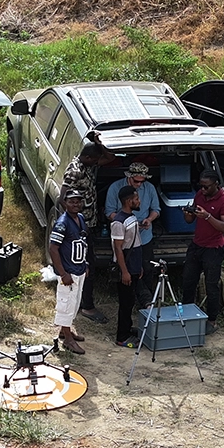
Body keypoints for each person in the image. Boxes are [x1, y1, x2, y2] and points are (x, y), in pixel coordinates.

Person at [61, 137, 117, 324]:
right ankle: (87, 306)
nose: (96, 163)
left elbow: (109, 158)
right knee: (85, 266)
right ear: (86, 157)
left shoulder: (87, 165)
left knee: (87, 265)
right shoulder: (75, 172)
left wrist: (99, 143)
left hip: (90, 223)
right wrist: (74, 224)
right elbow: (63, 198)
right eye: (94, 160)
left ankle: (81, 303)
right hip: (80, 227)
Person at [180, 170, 224, 335]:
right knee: (188, 281)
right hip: (197, 245)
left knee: (211, 285)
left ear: (216, 185)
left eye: (206, 187)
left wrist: (208, 216)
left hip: (214, 248)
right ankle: (187, 315)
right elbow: (190, 221)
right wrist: (187, 214)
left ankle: (212, 320)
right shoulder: (199, 195)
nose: (203, 190)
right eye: (201, 186)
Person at [105, 161, 160, 302]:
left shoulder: (150, 188)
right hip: (124, 238)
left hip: (144, 236)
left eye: (142, 181)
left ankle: (147, 300)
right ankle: (131, 298)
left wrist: (149, 219)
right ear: (129, 177)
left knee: (147, 268)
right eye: (136, 181)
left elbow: (156, 209)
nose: (139, 184)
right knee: (126, 268)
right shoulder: (115, 188)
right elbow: (109, 212)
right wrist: (126, 224)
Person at [48, 191, 90, 355]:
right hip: (68, 271)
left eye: (78, 202)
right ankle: (68, 340)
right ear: (65, 203)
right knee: (66, 304)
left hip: (78, 268)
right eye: (72, 202)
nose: (76, 204)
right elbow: (53, 248)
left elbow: (82, 243)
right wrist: (62, 272)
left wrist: (85, 263)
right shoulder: (62, 223)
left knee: (75, 302)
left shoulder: (80, 218)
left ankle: (65, 330)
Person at [111, 186, 144, 348]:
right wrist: (124, 271)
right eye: (136, 199)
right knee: (125, 303)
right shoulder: (119, 221)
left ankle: (128, 328)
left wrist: (138, 267)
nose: (139, 201)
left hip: (134, 266)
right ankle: (122, 336)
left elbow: (135, 243)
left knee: (131, 301)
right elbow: (118, 248)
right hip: (126, 268)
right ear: (128, 201)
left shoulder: (131, 217)